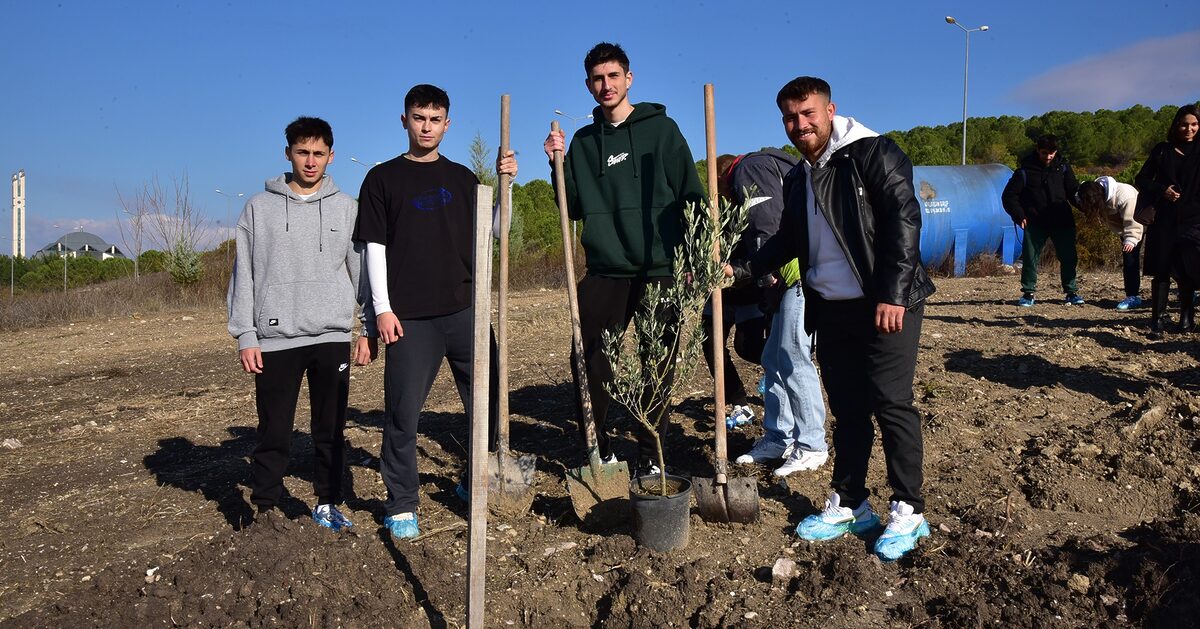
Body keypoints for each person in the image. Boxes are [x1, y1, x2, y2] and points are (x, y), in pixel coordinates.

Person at [729, 76, 936, 561]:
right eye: (790, 118)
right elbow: (787, 242)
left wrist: (893, 293)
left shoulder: (872, 154)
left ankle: (909, 509)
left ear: (830, 110)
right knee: (847, 410)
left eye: (808, 114)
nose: (799, 125)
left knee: (891, 402)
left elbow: (904, 221)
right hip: (832, 308)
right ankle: (852, 503)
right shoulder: (798, 175)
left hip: (884, 302)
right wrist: (738, 269)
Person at [354, 84, 518, 540]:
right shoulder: (382, 179)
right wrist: (381, 311)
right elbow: (374, 249)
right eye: (419, 117)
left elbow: (494, 232)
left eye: (435, 118)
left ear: (448, 124)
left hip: (466, 309)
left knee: (487, 405)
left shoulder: (464, 178)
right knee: (404, 414)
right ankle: (402, 503)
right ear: (404, 120)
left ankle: (473, 482)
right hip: (410, 319)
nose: (427, 126)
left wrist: (507, 187)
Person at [543, 42, 704, 478]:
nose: (606, 85)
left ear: (628, 79)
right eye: (597, 78)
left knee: (657, 365)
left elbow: (692, 195)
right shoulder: (581, 142)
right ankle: (601, 451)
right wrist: (555, 163)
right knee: (589, 357)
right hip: (606, 269)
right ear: (588, 84)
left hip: (660, 267)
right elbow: (571, 207)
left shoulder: (662, 131)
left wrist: (698, 255)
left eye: (613, 76)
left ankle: (652, 457)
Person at [227, 116, 376, 532]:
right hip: (275, 340)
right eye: (302, 152)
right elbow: (245, 276)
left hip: (331, 336)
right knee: (274, 431)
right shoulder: (259, 208)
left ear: (330, 156)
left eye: (318, 153)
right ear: (288, 154)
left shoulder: (348, 209)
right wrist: (245, 335)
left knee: (330, 429)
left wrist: (366, 329)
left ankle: (327, 504)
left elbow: (360, 273)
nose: (310, 162)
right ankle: (265, 512)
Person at [713, 151, 829, 476]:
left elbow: (766, 221)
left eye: (721, 192)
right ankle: (779, 437)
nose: (724, 198)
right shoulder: (766, 166)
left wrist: (764, 272)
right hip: (782, 282)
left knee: (793, 356)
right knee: (773, 358)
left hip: (795, 274)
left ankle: (811, 445)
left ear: (723, 177)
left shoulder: (747, 170)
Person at [1136, 104, 1199, 334]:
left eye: (1194, 124)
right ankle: (1157, 320)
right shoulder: (1163, 150)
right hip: (1164, 218)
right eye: (1184, 124)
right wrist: (1162, 189)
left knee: (1188, 270)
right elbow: (1141, 179)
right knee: (1162, 268)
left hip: (1194, 219)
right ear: (1175, 125)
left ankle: (1186, 319)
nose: (1189, 129)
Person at [1002, 135, 1083, 307]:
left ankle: (1071, 292)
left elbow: (1073, 192)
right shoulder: (1024, 171)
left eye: (1052, 153)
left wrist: (1086, 206)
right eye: (1044, 153)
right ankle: (1028, 293)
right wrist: (1019, 215)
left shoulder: (1064, 168)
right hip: (1035, 220)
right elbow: (1009, 196)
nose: (1048, 157)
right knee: (1030, 258)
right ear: (1038, 150)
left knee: (1069, 257)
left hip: (1062, 219)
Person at [1076, 177, 1143, 310]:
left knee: (1146, 259)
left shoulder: (1125, 197)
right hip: (1124, 229)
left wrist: (1131, 239)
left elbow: (1133, 221)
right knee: (1129, 259)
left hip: (1142, 224)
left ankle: (1186, 289)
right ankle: (1132, 295)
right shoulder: (1086, 193)